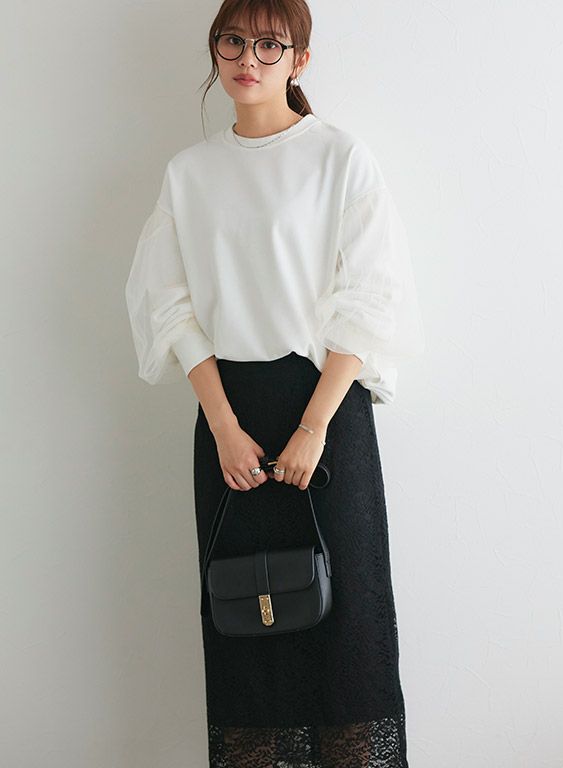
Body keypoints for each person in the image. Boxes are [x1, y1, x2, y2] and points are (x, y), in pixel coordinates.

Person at [125, 0, 425, 765]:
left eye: (269, 44)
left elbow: (371, 296)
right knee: (246, 632)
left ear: (300, 60)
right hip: (232, 422)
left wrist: (314, 427)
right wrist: (224, 427)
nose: (247, 59)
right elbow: (170, 304)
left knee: (347, 633)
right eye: (233, 41)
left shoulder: (339, 157)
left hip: (327, 413)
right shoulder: (190, 173)